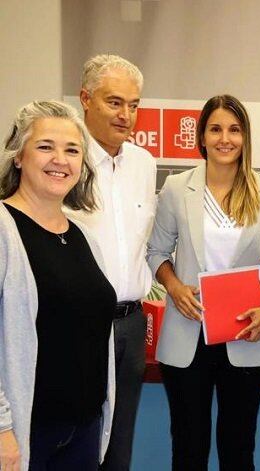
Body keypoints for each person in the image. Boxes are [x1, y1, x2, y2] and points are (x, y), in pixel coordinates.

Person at [146, 95, 260, 470]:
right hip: (187, 334)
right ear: (201, 137)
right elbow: (156, 252)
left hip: (246, 334)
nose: (226, 138)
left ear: (246, 137)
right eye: (216, 129)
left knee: (239, 448)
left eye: (235, 130)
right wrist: (174, 287)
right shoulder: (176, 188)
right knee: (188, 448)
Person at [0, 101, 116, 470]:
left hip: (83, 432)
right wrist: (2, 428)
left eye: (72, 150)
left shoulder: (84, 236)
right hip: (24, 433)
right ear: (18, 156)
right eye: (45, 146)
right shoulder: (4, 230)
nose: (60, 160)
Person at [67, 54, 156, 471]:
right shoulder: (63, 159)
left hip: (130, 326)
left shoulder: (144, 164)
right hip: (77, 323)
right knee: (74, 439)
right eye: (114, 102)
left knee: (120, 445)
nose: (126, 115)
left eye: (134, 105)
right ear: (86, 99)